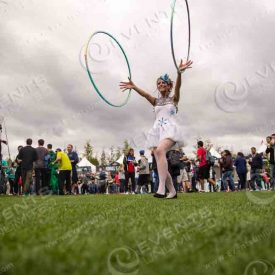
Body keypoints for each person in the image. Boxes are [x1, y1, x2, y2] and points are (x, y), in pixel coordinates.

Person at [120, 60, 193, 199]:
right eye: (158, 83)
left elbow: (178, 87)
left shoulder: (174, 99)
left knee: (160, 151)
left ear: (168, 85)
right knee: (159, 158)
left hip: (170, 130)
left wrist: (179, 73)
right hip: (157, 131)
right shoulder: (155, 101)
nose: (160, 85)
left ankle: (161, 188)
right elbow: (145, 94)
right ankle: (172, 191)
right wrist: (134, 87)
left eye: (163, 83)